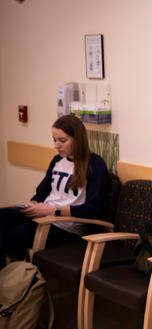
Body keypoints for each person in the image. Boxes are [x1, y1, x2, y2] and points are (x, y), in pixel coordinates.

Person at [0, 114, 108, 267]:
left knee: (14, 235)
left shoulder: (95, 164)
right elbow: (42, 192)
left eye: (62, 141)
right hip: (44, 216)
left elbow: (93, 209)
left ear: (78, 139)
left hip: (65, 227)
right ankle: (10, 279)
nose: (56, 146)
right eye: (54, 140)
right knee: (2, 217)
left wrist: (53, 210)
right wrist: (33, 204)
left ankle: (16, 278)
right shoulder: (57, 160)